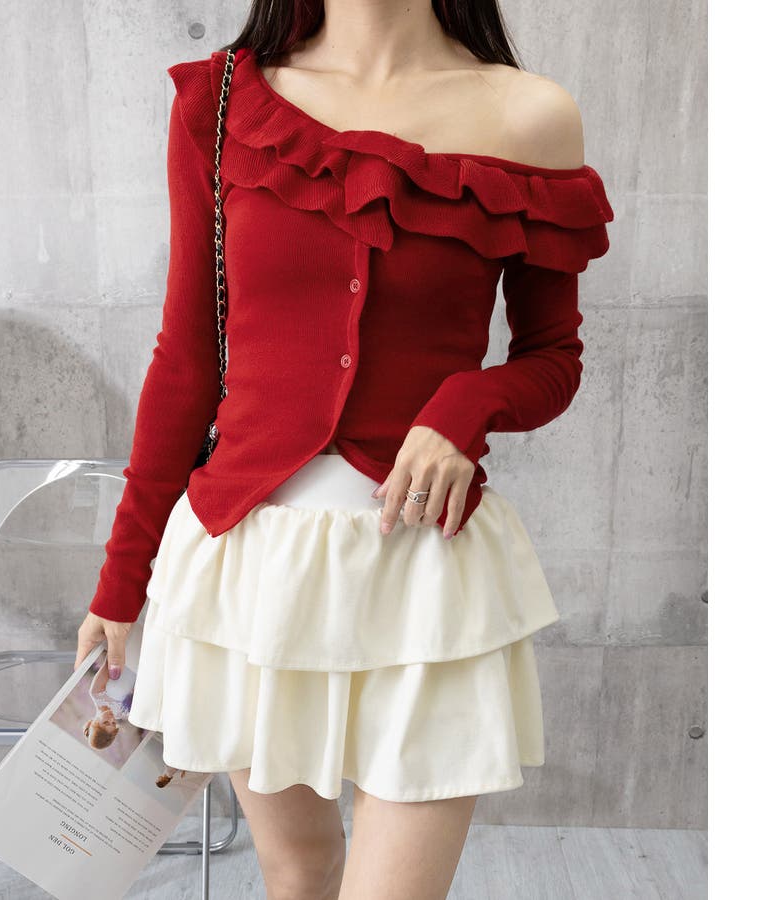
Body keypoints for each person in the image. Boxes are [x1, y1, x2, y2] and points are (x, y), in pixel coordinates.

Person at [74, 1, 614, 897]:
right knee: (298, 871)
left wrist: (467, 404)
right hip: (248, 573)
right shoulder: (224, 103)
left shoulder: (530, 116)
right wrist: (120, 583)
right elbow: (187, 360)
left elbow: (553, 357)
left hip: (426, 576)